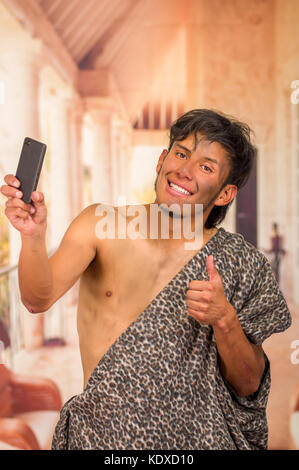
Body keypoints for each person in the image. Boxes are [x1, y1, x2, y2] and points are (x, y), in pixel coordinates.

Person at [0, 109, 291, 450]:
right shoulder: (99, 225)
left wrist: (224, 319)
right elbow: (37, 299)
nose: (184, 170)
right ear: (161, 160)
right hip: (103, 440)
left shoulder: (240, 263)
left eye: (206, 166)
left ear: (225, 194)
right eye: (181, 153)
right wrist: (33, 237)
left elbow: (249, 384)